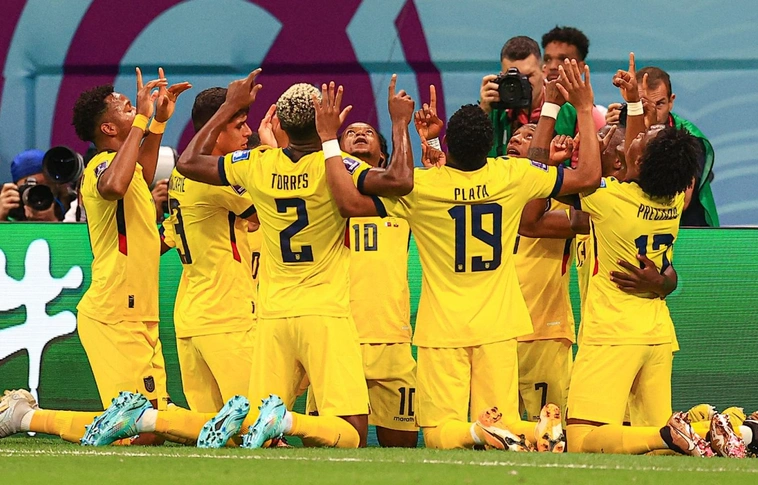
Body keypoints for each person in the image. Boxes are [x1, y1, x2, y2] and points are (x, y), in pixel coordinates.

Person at [76, 72, 417, 450]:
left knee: (220, 432)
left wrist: (226, 118)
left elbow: (188, 166)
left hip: (240, 313)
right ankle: (284, 421)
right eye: (240, 124)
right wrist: (388, 126)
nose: (247, 131)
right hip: (257, 312)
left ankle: (144, 418)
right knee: (341, 432)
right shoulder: (325, 167)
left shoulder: (249, 167)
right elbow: (390, 185)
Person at [325, 59, 602, 451]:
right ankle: (531, 431)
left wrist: (396, 126)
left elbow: (351, 203)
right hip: (499, 326)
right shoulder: (511, 175)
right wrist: (584, 109)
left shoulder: (423, 187)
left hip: (443, 330)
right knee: (503, 426)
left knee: (440, 432)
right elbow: (588, 176)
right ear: (491, 148)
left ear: (449, 145)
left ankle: (476, 432)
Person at [563, 55, 725, 456]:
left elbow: (584, 176)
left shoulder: (611, 201)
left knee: (582, 440)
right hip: (656, 332)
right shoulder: (671, 200)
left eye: (639, 141)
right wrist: (633, 103)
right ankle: (732, 426)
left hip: (613, 332)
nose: (633, 138)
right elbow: (637, 158)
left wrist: (583, 109)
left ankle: (673, 433)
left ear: (636, 160)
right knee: (655, 451)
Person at [74, 67, 190, 411]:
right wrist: (142, 120)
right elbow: (113, 186)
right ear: (108, 129)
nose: (138, 110)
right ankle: (27, 418)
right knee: (138, 424)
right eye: (127, 109)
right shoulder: (100, 165)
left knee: (156, 418)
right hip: (113, 314)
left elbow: (143, 172)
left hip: (141, 313)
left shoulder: (128, 169)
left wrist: (158, 122)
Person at [311, 120, 418, 448]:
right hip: (336, 335)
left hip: (391, 337)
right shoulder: (319, 197)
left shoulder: (404, 201)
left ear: (383, 158)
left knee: (402, 445)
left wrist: (423, 140)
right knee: (328, 445)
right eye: (351, 133)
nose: (359, 134)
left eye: (368, 132)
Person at [159, 87, 257, 417]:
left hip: (191, 315)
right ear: (215, 130)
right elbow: (270, 214)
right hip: (226, 314)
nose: (249, 132)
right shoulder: (216, 177)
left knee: (213, 430)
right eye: (239, 125)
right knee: (254, 424)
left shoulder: (179, 174)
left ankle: (156, 419)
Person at [605, 65, 717, 227]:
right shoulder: (624, 128)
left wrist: (649, 132)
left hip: (686, 229)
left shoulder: (689, 138)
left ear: (671, 101)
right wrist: (612, 133)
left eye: (659, 104)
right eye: (643, 104)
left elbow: (683, 202)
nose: (653, 112)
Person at [0, 150, 67, 222]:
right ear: (16, 188)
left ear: (56, 186)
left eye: (44, 187)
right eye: (30, 187)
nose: (38, 194)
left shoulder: (71, 209)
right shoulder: (10, 208)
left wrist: (53, 221)